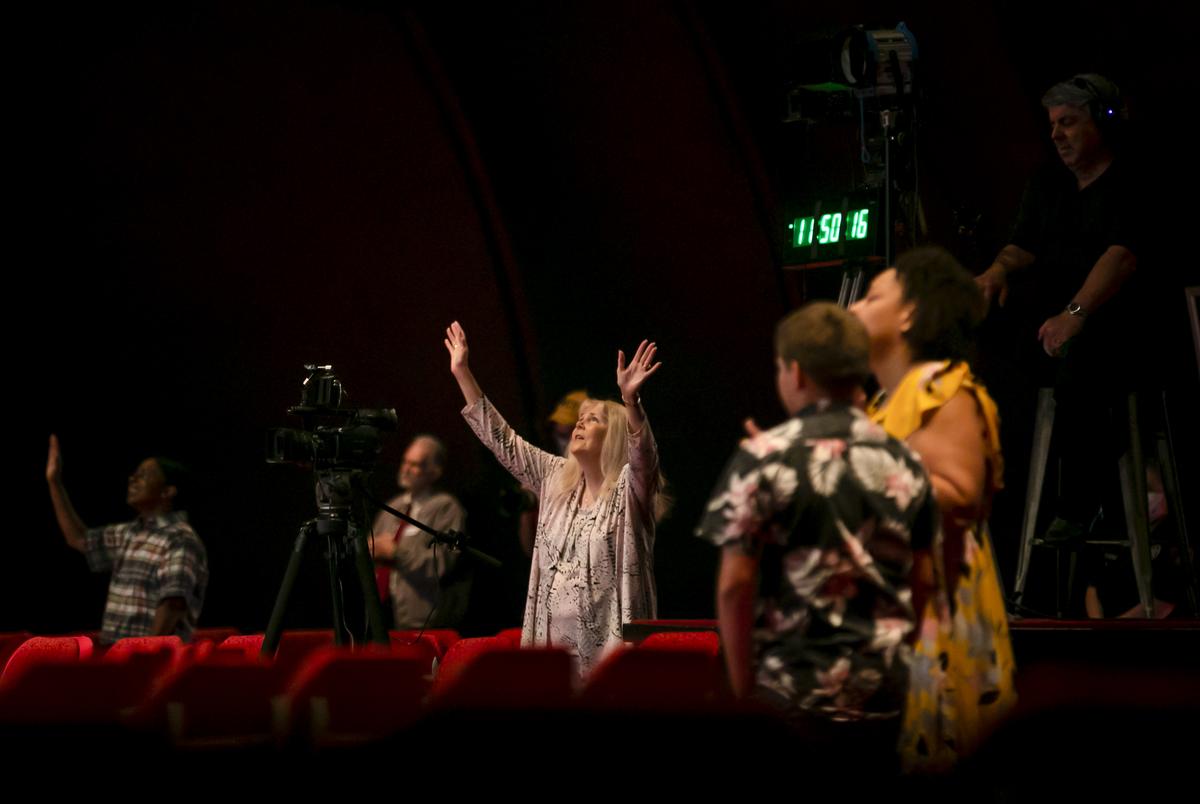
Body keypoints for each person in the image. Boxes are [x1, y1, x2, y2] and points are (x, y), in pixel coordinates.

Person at [697, 302, 937, 769]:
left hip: (791, 699)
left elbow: (734, 585)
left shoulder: (765, 456)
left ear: (796, 373)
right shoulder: (905, 460)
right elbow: (925, 580)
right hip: (887, 698)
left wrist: (741, 688)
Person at [850, 246, 1017, 771]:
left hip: (937, 611)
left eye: (872, 297)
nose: (852, 307)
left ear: (909, 315)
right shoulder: (884, 402)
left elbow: (960, 491)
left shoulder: (943, 387)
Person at [975, 73, 1142, 546]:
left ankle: (1082, 504)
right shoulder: (1047, 182)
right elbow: (1022, 244)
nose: (1056, 135)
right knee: (978, 329)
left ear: (1103, 122)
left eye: (1067, 122)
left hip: (1120, 324)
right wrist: (996, 271)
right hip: (1058, 322)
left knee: (1081, 361)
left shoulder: (1132, 179)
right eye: (1052, 124)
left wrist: (1075, 314)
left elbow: (1121, 256)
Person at [445, 320, 665, 675]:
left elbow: (644, 457)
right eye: (580, 418)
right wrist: (462, 372)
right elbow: (503, 440)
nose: (579, 424)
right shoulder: (554, 478)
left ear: (614, 437)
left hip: (610, 658)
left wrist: (631, 401)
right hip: (552, 654)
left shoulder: (628, 490)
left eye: (593, 420)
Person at [45, 434, 208, 644]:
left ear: (167, 491)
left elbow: (173, 605)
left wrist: (142, 655)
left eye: (143, 475)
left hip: (148, 659)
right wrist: (54, 482)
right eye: (134, 475)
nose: (132, 479)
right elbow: (79, 539)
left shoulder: (180, 538)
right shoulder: (130, 532)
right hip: (119, 655)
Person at [371, 434, 469, 629]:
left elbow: (441, 562)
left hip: (421, 621)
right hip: (381, 615)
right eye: (405, 462)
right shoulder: (392, 507)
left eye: (415, 464)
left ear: (434, 471)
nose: (406, 469)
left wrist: (397, 554)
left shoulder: (445, 507)